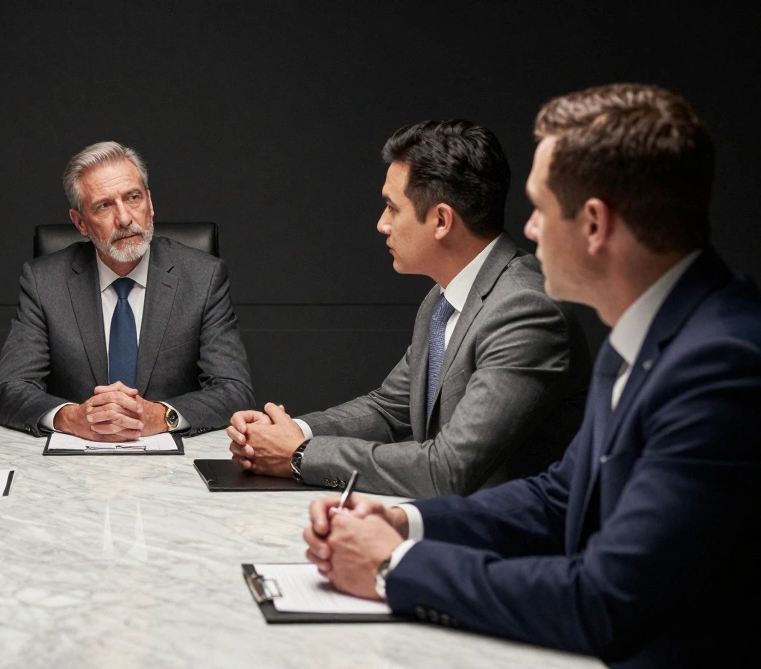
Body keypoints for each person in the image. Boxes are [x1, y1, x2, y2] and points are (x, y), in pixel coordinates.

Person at [304, 84, 760, 669]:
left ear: (595, 224)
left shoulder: (722, 362)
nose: (527, 228)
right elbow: (559, 497)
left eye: (542, 209)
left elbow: (604, 599)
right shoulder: (648, 329)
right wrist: (404, 523)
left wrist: (395, 567)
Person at [227, 120, 591, 498]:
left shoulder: (526, 310)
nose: (382, 224)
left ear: (441, 220)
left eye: (391, 207)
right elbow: (388, 410)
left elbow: (448, 470)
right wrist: (289, 432)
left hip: (512, 546)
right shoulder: (442, 298)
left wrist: (300, 454)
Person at [0, 141, 254, 439]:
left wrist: (162, 415)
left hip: (171, 466)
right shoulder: (44, 282)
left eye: (133, 198)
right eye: (104, 205)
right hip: (75, 466)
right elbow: (9, 392)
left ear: (150, 203)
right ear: (80, 223)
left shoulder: (203, 278)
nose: (125, 218)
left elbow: (234, 390)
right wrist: (71, 417)